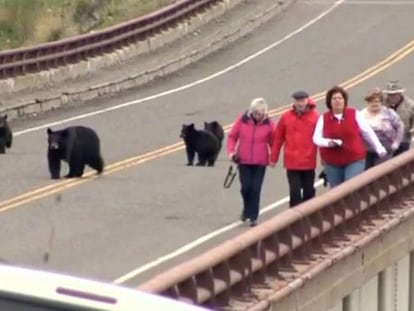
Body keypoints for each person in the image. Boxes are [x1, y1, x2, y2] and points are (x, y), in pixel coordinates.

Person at [312, 86, 387, 188]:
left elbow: (367, 132)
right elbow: (316, 138)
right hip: (332, 162)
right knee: (337, 192)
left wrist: (379, 148)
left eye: (340, 98)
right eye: (334, 99)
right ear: (329, 102)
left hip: (354, 159)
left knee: (350, 187)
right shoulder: (323, 118)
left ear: (344, 100)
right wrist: (328, 142)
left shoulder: (354, 114)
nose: (337, 101)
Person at [226, 98, 275, 227]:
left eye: (261, 113)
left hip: (260, 162)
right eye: (256, 113)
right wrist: (231, 152)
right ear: (251, 111)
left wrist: (273, 158)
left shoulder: (268, 124)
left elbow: (274, 142)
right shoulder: (242, 120)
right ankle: (246, 209)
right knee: (245, 188)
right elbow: (232, 136)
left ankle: (253, 216)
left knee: (255, 188)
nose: (259, 116)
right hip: (244, 160)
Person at [270, 91, 319, 207]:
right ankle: (294, 218)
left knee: (308, 193)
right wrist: (273, 158)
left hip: (308, 162)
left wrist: (326, 160)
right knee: (295, 192)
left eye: (302, 101)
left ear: (307, 101)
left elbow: (321, 139)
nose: (300, 103)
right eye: (297, 101)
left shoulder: (315, 117)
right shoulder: (286, 117)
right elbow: (278, 139)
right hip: (292, 162)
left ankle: (309, 217)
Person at [360, 88, 404, 169]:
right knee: (366, 173)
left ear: (381, 102)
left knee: (380, 171)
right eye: (371, 102)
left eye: (377, 101)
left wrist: (396, 143)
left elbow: (400, 126)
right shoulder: (361, 115)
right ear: (367, 102)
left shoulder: (388, 113)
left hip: (386, 149)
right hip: (367, 151)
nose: (374, 104)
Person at [382, 80, 414, 156]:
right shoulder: (382, 104)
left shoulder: (410, 105)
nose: (391, 96)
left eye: (394, 94)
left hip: (403, 139)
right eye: (389, 94)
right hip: (386, 139)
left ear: (400, 93)